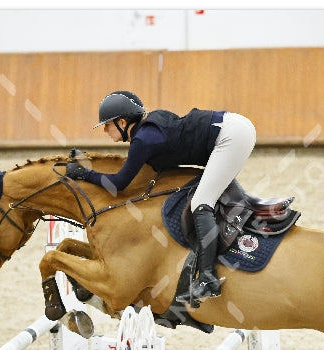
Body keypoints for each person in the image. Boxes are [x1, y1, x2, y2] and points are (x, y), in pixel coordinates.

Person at [65, 90, 256, 304]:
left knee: (201, 203)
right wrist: (86, 161)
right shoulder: (146, 132)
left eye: (107, 125)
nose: (105, 131)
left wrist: (84, 174)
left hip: (231, 136)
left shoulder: (144, 139)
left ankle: (208, 278)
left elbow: (118, 184)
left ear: (122, 122)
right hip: (235, 127)